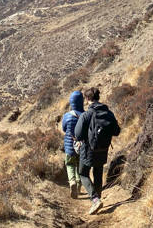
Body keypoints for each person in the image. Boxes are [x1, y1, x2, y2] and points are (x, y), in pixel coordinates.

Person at [74, 86, 120, 215]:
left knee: (83, 173)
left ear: (87, 99)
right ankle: (98, 198)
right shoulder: (108, 113)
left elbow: (77, 134)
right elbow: (117, 131)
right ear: (98, 97)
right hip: (103, 149)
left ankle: (95, 200)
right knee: (98, 173)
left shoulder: (86, 114)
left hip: (88, 149)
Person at [61, 90, 85, 198]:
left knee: (70, 165)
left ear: (71, 102)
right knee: (80, 166)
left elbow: (64, 128)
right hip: (82, 146)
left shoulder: (67, 116)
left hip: (69, 146)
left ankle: (72, 182)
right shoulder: (85, 115)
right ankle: (79, 185)